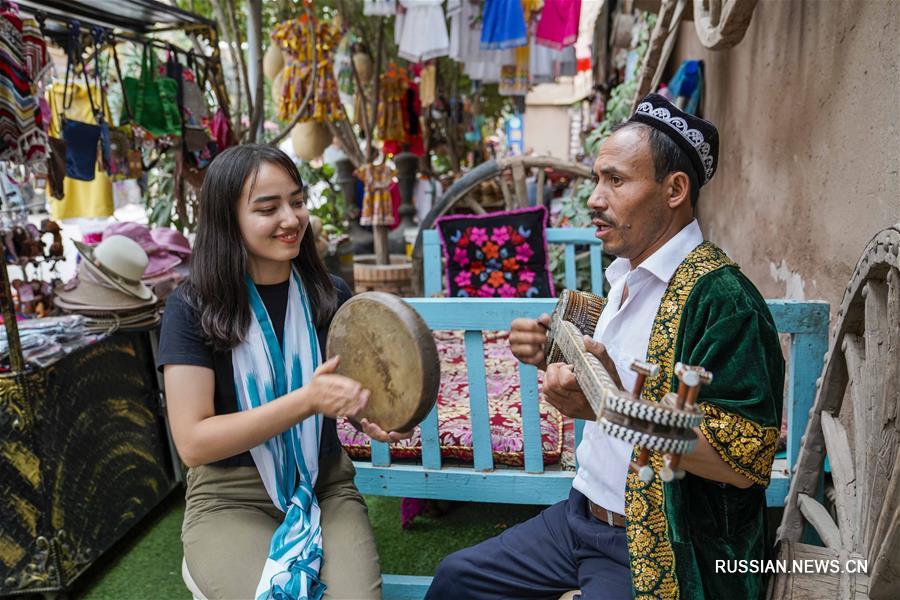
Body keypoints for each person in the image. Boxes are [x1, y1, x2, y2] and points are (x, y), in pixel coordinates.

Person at [427, 94, 785, 600]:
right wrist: (550, 346)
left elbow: (745, 461)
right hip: (579, 517)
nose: (595, 197)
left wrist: (611, 410)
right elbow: (618, 364)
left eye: (615, 180)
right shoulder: (627, 275)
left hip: (662, 541)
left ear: (675, 189)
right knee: (457, 581)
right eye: (598, 179)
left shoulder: (726, 302)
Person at [158, 144, 406, 599]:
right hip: (230, 497)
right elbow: (193, 443)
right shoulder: (192, 307)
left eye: (296, 201)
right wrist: (306, 401)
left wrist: (370, 415)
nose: (291, 219)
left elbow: (342, 391)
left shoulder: (329, 294)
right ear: (227, 219)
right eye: (267, 208)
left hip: (324, 486)